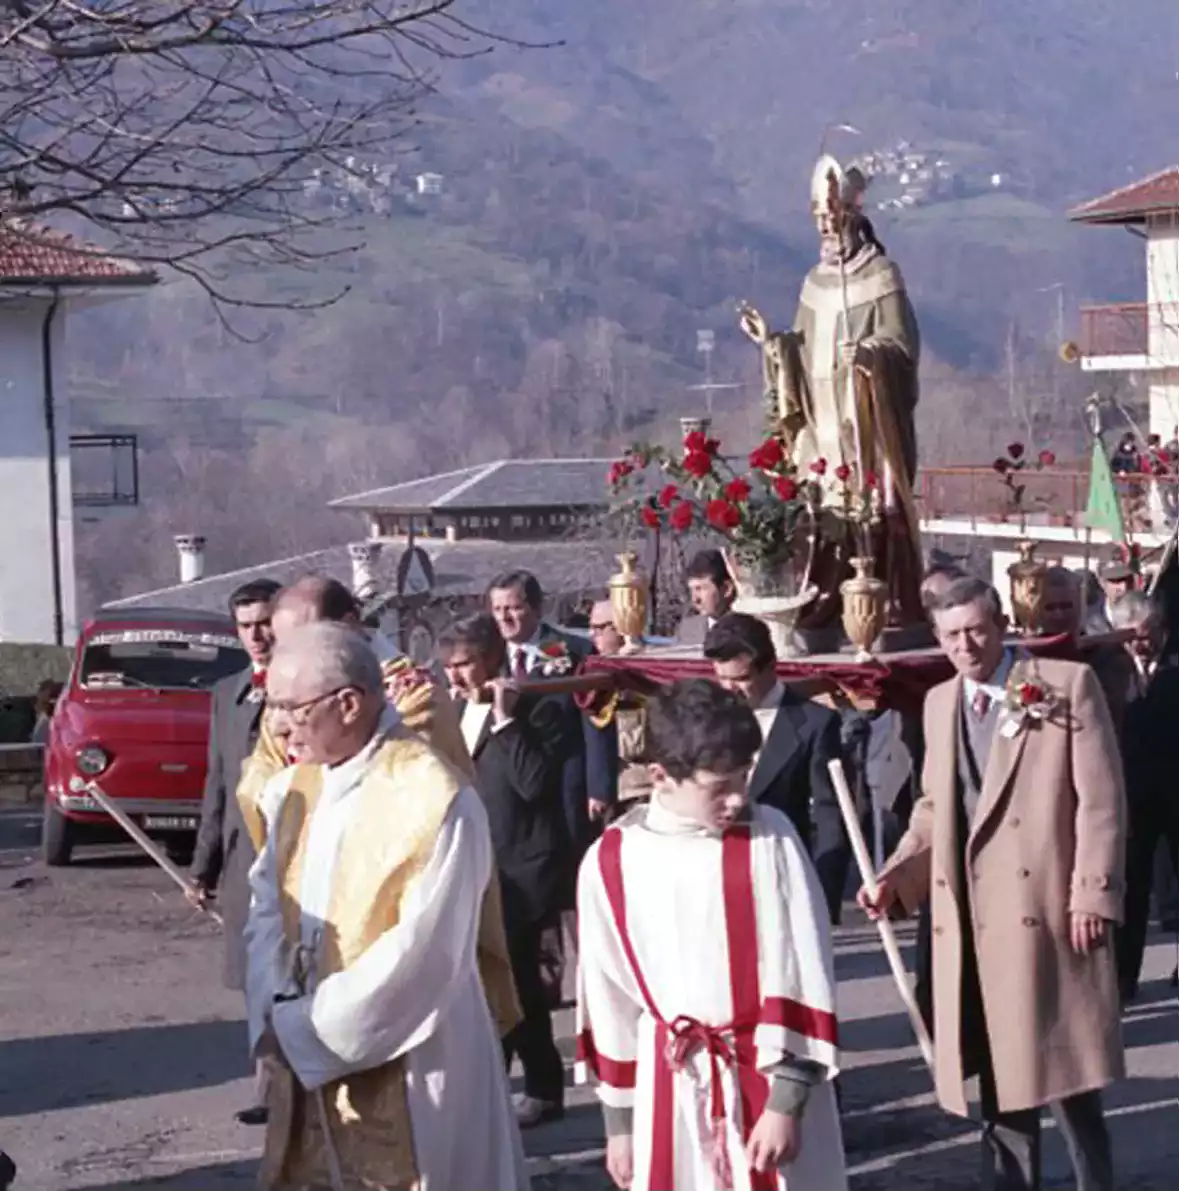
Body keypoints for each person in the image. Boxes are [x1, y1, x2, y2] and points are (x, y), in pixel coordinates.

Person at [858, 577, 1126, 1191]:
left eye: (977, 629)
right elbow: (933, 809)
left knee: (1067, 1078)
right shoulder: (937, 704)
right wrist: (896, 876)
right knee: (1001, 1078)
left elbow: (1101, 801)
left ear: (1003, 625)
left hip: (1046, 908)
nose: (966, 645)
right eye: (952, 635)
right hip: (973, 922)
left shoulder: (1064, 686)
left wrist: (1092, 891)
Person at [245, 623, 527, 1191]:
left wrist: (308, 1028)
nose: (276, 725)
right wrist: (273, 1001)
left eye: (289, 708)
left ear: (348, 703)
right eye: (270, 704)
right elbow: (266, 909)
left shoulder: (433, 798)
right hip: (309, 1049)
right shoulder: (294, 789)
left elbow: (424, 957)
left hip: (417, 1059)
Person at [576, 678, 846, 1191]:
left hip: (764, 1079)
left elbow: (805, 967)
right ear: (660, 776)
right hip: (670, 1084)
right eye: (719, 786)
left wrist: (786, 1099)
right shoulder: (611, 861)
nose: (738, 798)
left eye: (744, 777)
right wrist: (620, 1126)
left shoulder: (768, 838)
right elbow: (608, 997)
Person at [235, 575, 521, 1043]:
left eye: (310, 638)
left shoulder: (412, 703)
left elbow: (387, 784)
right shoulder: (296, 706)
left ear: (349, 625)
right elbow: (261, 777)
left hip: (396, 964)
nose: (285, 723)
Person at [439, 612, 568, 1128]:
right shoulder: (450, 708)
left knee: (516, 981)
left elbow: (533, 785)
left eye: (466, 664)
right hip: (472, 863)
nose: (456, 676)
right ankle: (494, 1082)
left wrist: (507, 720)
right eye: (449, 666)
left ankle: (542, 1087)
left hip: (522, 869)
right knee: (482, 981)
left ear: (493, 659)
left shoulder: (539, 710)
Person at [189, 576, 281, 1126]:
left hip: (298, 852)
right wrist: (203, 869)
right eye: (246, 626)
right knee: (256, 982)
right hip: (245, 860)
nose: (256, 635)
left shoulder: (307, 684)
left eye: (265, 623)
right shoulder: (227, 693)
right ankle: (269, 1089)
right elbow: (216, 787)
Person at [703, 613, 846, 921]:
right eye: (721, 678)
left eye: (741, 679)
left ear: (770, 667)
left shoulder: (815, 724)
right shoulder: (707, 717)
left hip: (781, 877)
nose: (730, 689)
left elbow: (829, 815)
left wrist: (822, 897)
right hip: (713, 880)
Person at [486, 569, 618, 852]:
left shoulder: (571, 651)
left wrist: (600, 787)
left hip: (564, 781)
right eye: (497, 609)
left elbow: (596, 717)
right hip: (510, 786)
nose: (504, 618)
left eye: (514, 608)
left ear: (536, 607)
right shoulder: (487, 655)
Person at [1109, 591, 1179, 1001]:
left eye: (1149, 632)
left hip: (1176, 791)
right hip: (1130, 797)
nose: (1143, 642)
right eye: (1133, 634)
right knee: (1131, 888)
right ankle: (1123, 976)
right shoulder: (1107, 674)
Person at [1037, 566, 1134, 737]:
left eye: (1066, 606)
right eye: (1050, 607)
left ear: (1080, 605)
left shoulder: (1107, 655)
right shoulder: (1026, 657)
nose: (1059, 615)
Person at [589, 599, 654, 806]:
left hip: (642, 788)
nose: (592, 635)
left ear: (619, 628)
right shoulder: (592, 670)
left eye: (598, 628)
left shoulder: (649, 668)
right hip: (611, 788)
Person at [676, 549, 736, 646]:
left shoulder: (747, 629)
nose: (695, 599)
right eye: (692, 590)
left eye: (700, 589)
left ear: (726, 589)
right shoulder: (689, 628)